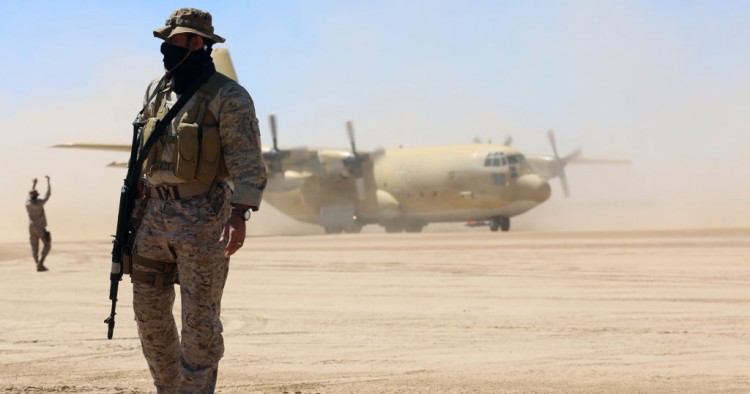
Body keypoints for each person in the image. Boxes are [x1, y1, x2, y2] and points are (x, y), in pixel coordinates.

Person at [129, 8, 266, 393]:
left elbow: (247, 160)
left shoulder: (228, 96)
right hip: (153, 219)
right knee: (149, 317)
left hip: (203, 219)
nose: (167, 48)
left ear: (197, 42)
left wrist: (239, 214)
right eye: (166, 41)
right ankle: (167, 388)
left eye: (175, 41)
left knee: (200, 322)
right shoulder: (157, 90)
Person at [26, 175, 51, 272]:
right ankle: (40, 263)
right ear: (37, 196)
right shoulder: (40, 203)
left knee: (34, 247)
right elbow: (48, 194)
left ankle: (37, 264)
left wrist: (34, 184)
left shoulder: (27, 203)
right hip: (40, 227)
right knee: (47, 244)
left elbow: (29, 196)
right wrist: (48, 183)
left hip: (31, 227)